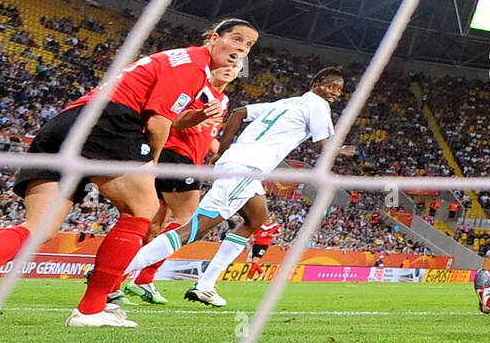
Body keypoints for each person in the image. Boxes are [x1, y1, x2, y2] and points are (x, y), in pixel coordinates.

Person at [0, 19, 258, 330]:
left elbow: (165, 113)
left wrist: (194, 119)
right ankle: (92, 308)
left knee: (40, 229)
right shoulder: (192, 66)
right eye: (236, 40)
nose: (240, 50)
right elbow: (156, 121)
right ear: (214, 38)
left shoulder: (176, 62)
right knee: (143, 209)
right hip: (108, 123)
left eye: (248, 46)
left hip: (68, 123)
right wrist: (151, 162)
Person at [119, 67, 354, 309]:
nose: (334, 92)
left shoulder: (288, 103)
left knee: (256, 218)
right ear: (316, 83)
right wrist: (343, 150)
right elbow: (322, 146)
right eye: (330, 86)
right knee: (196, 228)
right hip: (247, 168)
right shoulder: (318, 105)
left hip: (241, 166)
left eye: (339, 89)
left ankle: (206, 286)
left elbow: (239, 113)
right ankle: (113, 272)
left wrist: (222, 151)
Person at [120, 61, 241, 306]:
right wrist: (200, 115)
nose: (232, 67)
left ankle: (116, 281)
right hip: (176, 155)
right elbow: (176, 121)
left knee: (152, 225)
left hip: (182, 159)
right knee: (185, 219)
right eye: (228, 62)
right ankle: (140, 277)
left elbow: (208, 137)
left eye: (237, 66)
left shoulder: (222, 100)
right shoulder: (199, 88)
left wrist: (224, 155)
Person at [247, 216, 281, 280]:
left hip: (264, 245)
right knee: (254, 262)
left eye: (269, 219)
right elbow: (252, 232)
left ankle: (249, 278)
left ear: (272, 219)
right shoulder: (261, 225)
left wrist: (273, 235)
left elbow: (280, 233)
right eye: (267, 218)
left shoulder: (275, 226)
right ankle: (261, 272)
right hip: (256, 244)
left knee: (255, 260)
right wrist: (252, 238)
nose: (268, 220)